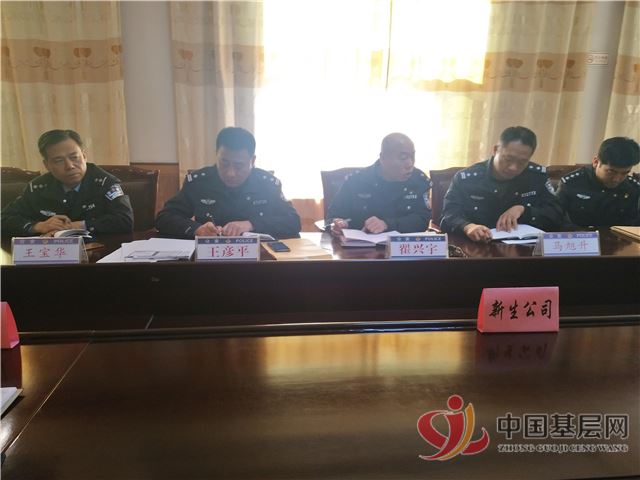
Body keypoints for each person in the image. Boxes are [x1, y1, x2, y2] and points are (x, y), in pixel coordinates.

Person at [155, 127, 301, 239]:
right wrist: (196, 229)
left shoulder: (267, 184)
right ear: (216, 155)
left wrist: (251, 224)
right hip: (209, 259)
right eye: (224, 163)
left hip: (257, 260)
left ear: (252, 160)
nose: (231, 173)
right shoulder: (199, 182)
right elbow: (164, 217)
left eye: (239, 166)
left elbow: (293, 221)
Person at [440, 126, 563, 242]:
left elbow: (556, 214)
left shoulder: (536, 177)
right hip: (477, 247)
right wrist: (467, 227)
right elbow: (449, 214)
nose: (513, 167)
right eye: (508, 159)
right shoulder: (467, 179)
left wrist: (524, 210)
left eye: (522, 162)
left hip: (525, 249)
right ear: (495, 150)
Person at [1, 129, 133, 237]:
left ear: (84, 156)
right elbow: (4, 219)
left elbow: (125, 221)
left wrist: (79, 225)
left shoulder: (105, 182)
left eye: (74, 157)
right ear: (47, 165)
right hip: (51, 255)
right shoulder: (37, 188)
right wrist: (38, 226)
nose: (69, 166)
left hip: (98, 253)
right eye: (59, 160)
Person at [327, 132, 432, 235]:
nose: (409, 164)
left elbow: (423, 220)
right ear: (383, 158)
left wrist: (387, 224)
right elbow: (333, 217)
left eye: (412, 156)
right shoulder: (357, 181)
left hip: (402, 244)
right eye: (403, 157)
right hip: (360, 245)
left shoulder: (419, 181)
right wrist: (338, 224)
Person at [555, 137, 640, 227]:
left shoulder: (633, 188)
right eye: (611, 172)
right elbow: (555, 219)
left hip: (617, 236)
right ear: (596, 162)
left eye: (624, 173)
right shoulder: (572, 183)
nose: (617, 179)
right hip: (578, 235)